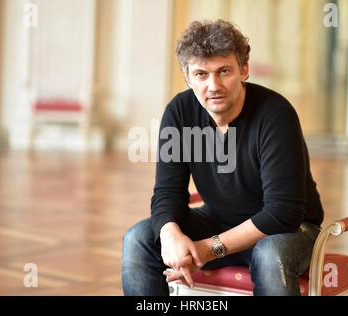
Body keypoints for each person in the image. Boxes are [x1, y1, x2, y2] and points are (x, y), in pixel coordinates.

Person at [121, 19, 324, 296]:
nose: (213, 85)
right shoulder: (179, 113)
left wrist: (209, 248)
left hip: (288, 231)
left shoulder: (276, 114)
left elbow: (282, 213)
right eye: (201, 74)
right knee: (138, 239)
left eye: (224, 71)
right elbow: (168, 192)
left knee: (269, 254)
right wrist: (170, 236)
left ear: (244, 70)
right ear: (188, 77)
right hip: (218, 220)